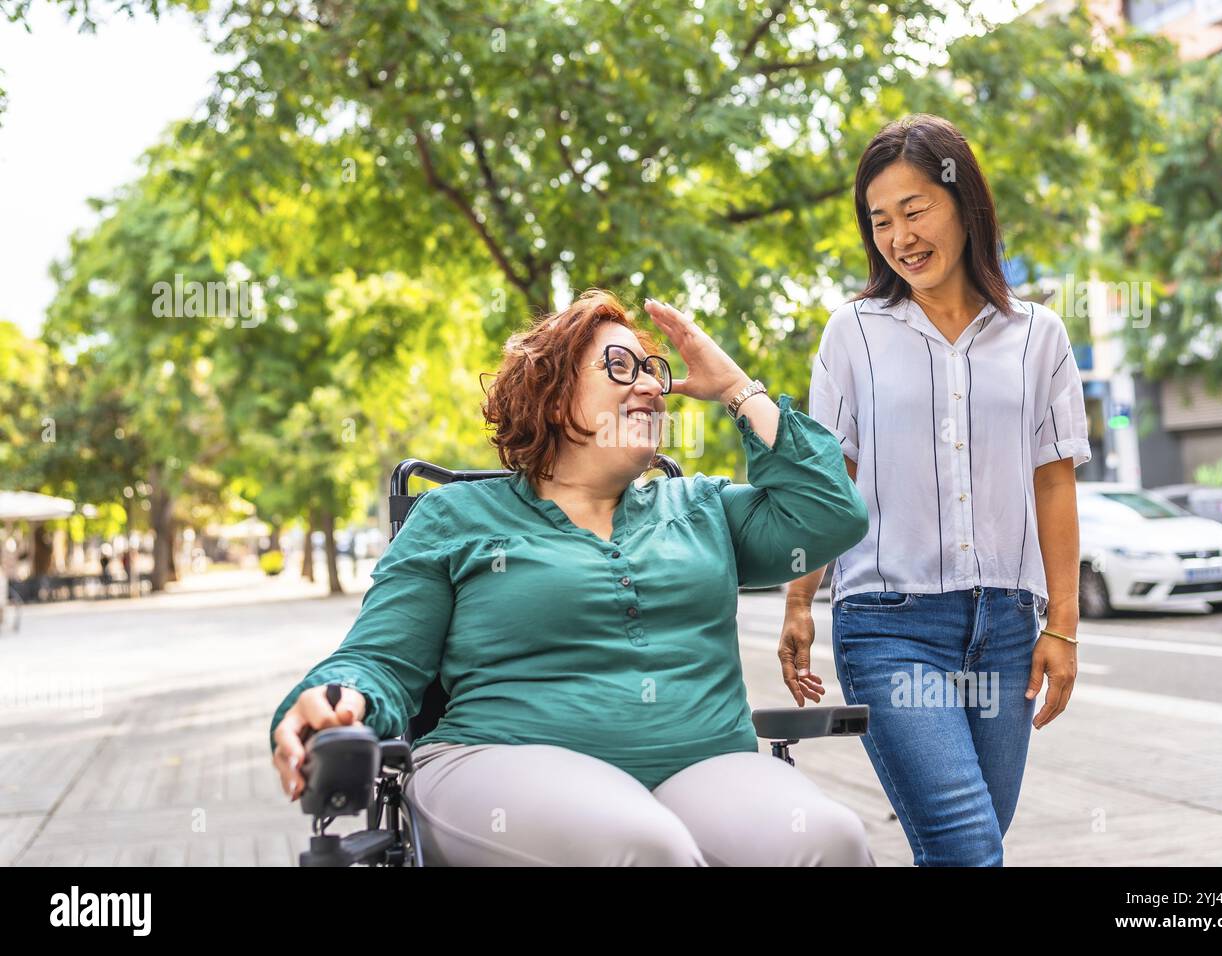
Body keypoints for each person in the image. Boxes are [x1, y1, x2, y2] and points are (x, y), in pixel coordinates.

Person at [270, 289, 874, 866]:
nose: (648, 385)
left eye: (653, 371)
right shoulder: (455, 518)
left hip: (703, 766)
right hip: (498, 761)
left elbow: (831, 513)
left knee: (830, 842)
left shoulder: (701, 510)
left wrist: (738, 389)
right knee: (639, 846)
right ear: (553, 395)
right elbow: (379, 660)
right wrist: (339, 698)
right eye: (619, 366)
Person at [782, 114, 1091, 866]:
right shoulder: (851, 333)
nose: (899, 236)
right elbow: (831, 477)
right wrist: (796, 602)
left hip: (1009, 631)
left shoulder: (1039, 336)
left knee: (967, 846)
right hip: (890, 626)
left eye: (915, 210)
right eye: (880, 221)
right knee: (968, 849)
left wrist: (1064, 625)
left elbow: (1053, 481)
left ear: (964, 204)